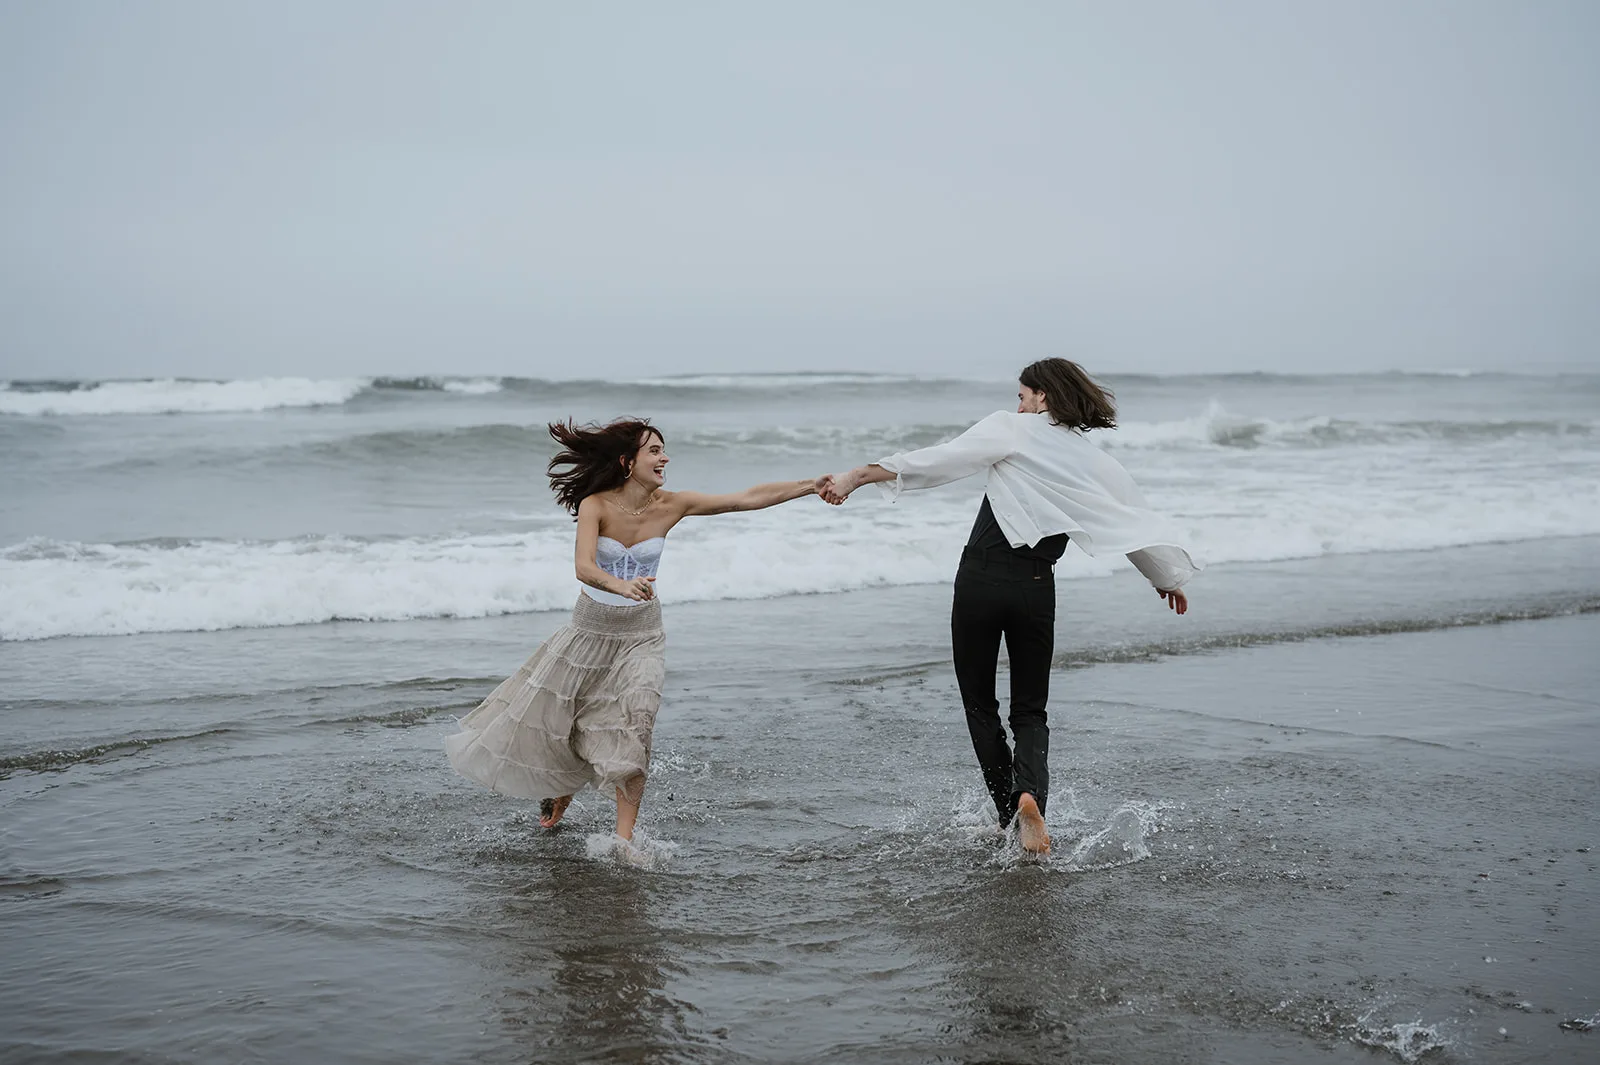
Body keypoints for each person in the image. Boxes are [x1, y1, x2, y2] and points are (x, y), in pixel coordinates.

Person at [819, 358, 1198, 855]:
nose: (1016, 404)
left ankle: (1008, 817)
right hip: (1037, 589)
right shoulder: (1092, 460)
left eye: (1022, 395)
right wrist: (1164, 577)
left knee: (980, 704)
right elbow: (1130, 517)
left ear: (1042, 396)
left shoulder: (1010, 429)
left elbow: (938, 459)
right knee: (1031, 710)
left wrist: (857, 476)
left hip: (979, 582)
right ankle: (1030, 798)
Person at [446, 417, 822, 850]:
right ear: (628, 462)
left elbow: (743, 499)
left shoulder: (672, 505)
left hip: (642, 634)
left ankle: (624, 846)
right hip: (589, 631)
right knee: (568, 722)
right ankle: (561, 788)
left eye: (664, 450)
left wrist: (809, 485)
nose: (665, 458)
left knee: (635, 726)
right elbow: (584, 567)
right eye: (655, 451)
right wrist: (619, 584)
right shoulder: (596, 505)